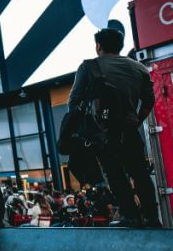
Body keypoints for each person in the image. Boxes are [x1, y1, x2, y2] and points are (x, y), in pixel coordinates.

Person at [68, 25, 158, 227]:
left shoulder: (88, 67)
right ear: (120, 46)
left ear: (98, 46)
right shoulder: (139, 68)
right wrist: (137, 120)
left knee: (115, 175)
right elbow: (149, 101)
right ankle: (152, 217)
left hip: (104, 133)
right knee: (140, 173)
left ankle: (131, 216)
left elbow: (73, 103)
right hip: (130, 130)